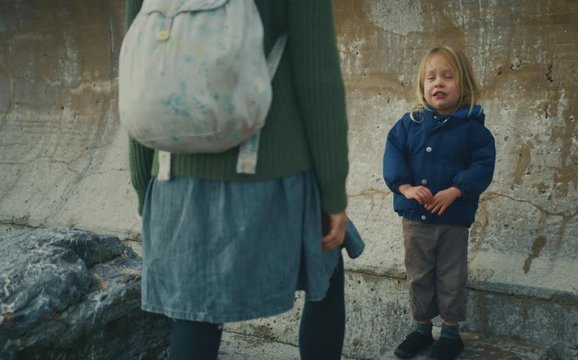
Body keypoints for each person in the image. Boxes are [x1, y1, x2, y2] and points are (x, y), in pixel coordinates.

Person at [124, 1, 357, 359]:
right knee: (324, 274)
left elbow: (137, 72)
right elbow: (318, 78)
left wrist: (145, 184)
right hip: (272, 173)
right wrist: (333, 194)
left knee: (196, 315)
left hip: (174, 177)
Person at [383, 46, 496, 360]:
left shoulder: (473, 129)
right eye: (431, 77)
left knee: (451, 274)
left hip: (452, 219)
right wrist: (404, 186)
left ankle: (450, 333)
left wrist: (456, 190)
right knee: (418, 274)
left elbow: (483, 165)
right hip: (415, 219)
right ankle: (421, 329)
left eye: (448, 76)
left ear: (464, 84)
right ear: (421, 86)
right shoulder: (409, 125)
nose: (439, 83)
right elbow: (393, 155)